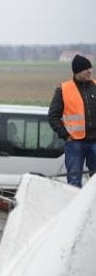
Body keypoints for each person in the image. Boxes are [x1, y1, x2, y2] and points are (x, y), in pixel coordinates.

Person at [48, 54, 96, 187]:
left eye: (90, 69)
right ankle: (75, 207)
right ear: (78, 71)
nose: (90, 71)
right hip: (75, 143)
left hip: (95, 142)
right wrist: (66, 136)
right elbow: (53, 116)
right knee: (74, 181)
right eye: (87, 69)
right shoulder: (63, 89)